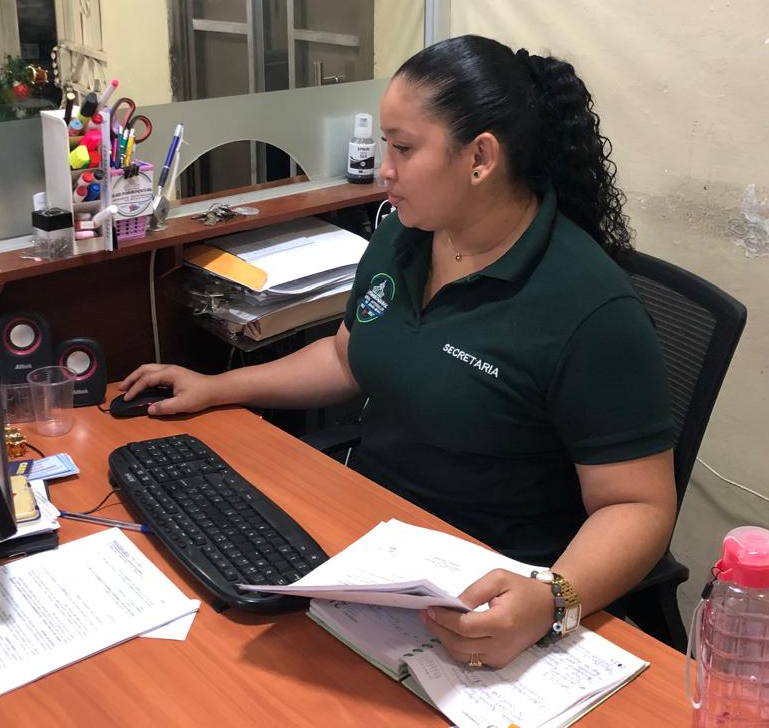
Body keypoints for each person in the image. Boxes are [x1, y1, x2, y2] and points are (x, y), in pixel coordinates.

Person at [120, 34, 676, 669]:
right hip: (372, 545)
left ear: (480, 158)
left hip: (486, 597)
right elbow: (346, 357)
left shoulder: (589, 307)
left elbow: (638, 505)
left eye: (403, 148)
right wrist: (217, 387)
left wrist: (552, 600)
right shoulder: (406, 235)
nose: (385, 168)